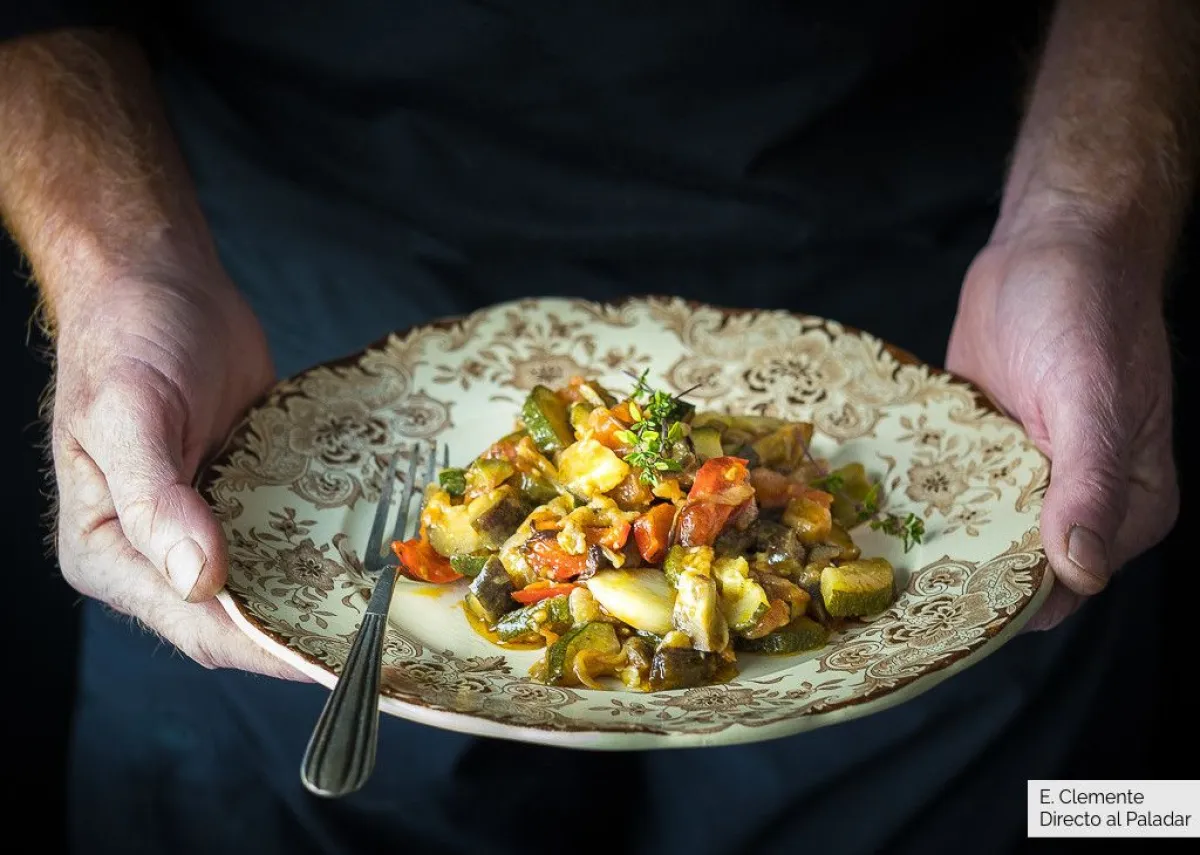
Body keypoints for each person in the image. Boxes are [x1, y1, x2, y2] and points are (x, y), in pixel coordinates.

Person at [1, 1, 1192, 853]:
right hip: (292, 360)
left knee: (1093, 812)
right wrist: (121, 264)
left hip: (926, 322)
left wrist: (1085, 216)